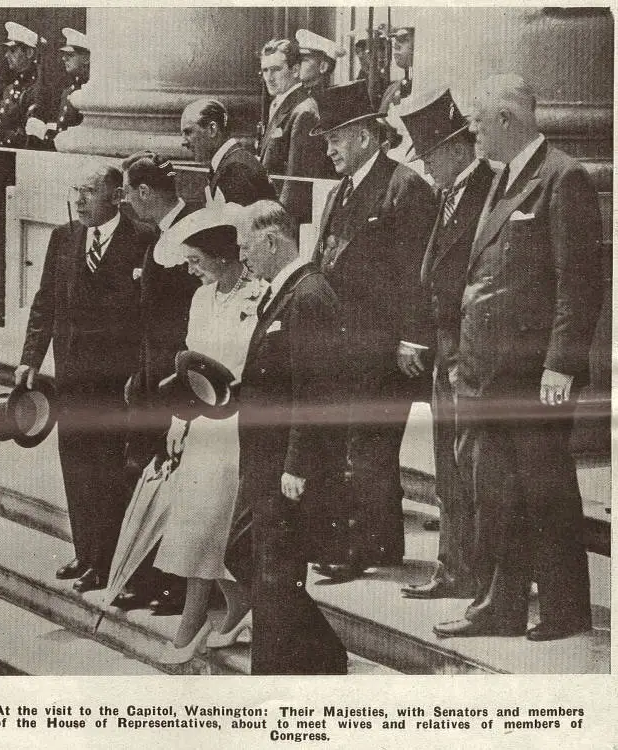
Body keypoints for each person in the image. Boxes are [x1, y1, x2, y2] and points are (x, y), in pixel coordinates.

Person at [434, 74, 603, 641]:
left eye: (478, 123)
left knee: (545, 492)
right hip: (487, 373)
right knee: (496, 497)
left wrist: (560, 365)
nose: (472, 133)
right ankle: (497, 608)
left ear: (506, 120)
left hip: (534, 376)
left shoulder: (562, 177)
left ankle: (564, 610)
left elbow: (578, 284)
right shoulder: (499, 177)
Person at [310, 80, 437, 581]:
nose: (330, 150)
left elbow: (419, 271)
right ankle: (380, 544)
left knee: (369, 450)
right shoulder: (343, 189)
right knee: (358, 447)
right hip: (345, 345)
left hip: (385, 349)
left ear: (364, 136)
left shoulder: (404, 187)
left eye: (335, 139)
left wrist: (413, 337)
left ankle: (359, 548)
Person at [15, 163, 151, 592]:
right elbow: (45, 303)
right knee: (75, 464)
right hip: (70, 375)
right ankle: (84, 550)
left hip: (114, 381)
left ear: (115, 196)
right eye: (76, 190)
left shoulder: (143, 239)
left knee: (107, 469)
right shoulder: (64, 237)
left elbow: (147, 315)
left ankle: (106, 561)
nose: (78, 199)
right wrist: (30, 358)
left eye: (88, 191)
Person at [238, 200, 348, 674]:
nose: (243, 258)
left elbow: (316, 388)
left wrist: (297, 465)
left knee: (275, 567)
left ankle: (278, 666)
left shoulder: (310, 295)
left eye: (246, 248)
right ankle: (321, 653)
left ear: (270, 240)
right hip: (265, 455)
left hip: (286, 461)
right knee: (252, 556)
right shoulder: (284, 292)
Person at [152, 204, 264, 663]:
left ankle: (192, 624)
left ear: (220, 257)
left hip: (239, 429)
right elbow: (191, 367)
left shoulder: (259, 296)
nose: (191, 269)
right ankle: (237, 605)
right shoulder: (200, 298)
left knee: (208, 527)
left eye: (196, 260)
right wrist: (179, 423)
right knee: (197, 523)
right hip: (201, 426)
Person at [397, 87, 494, 600]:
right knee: (447, 469)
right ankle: (453, 567)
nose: (427, 168)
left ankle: (471, 572)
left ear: (456, 147)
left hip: (467, 353)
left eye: (431, 156)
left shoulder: (486, 192)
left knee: (466, 466)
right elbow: (430, 273)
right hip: (444, 350)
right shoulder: (449, 193)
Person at [118, 151, 199, 614]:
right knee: (150, 471)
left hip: (174, 377)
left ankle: (174, 585)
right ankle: (149, 578)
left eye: (128, 194)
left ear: (144, 193)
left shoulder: (190, 228)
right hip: (152, 374)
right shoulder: (158, 233)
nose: (126, 203)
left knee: (174, 477)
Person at [257, 38, 330, 223]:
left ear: (295, 70)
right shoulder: (283, 103)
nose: (269, 77)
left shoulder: (303, 111)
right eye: (265, 70)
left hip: (285, 219)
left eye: (276, 69)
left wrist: (279, 224)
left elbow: (296, 184)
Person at [180, 98, 277, 205]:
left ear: (212, 129)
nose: (183, 142)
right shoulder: (233, 161)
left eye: (188, 132)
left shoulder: (235, 168)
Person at [26, 28, 91, 148]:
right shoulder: (68, 91)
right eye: (64, 55)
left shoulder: (89, 93)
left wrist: (44, 133)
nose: (64, 58)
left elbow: (81, 140)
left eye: (70, 55)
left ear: (86, 59)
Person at [0, 22, 45, 148]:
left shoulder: (37, 90)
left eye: (13, 50)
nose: (6, 55)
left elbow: (27, 139)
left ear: (29, 53)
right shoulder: (9, 89)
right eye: (7, 51)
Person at [295, 29, 345, 97]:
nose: (298, 64)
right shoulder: (302, 94)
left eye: (304, 60)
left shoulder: (324, 98)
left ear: (323, 67)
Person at [378, 27, 415, 113]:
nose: (396, 46)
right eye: (396, 40)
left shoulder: (420, 85)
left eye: (404, 40)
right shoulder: (392, 88)